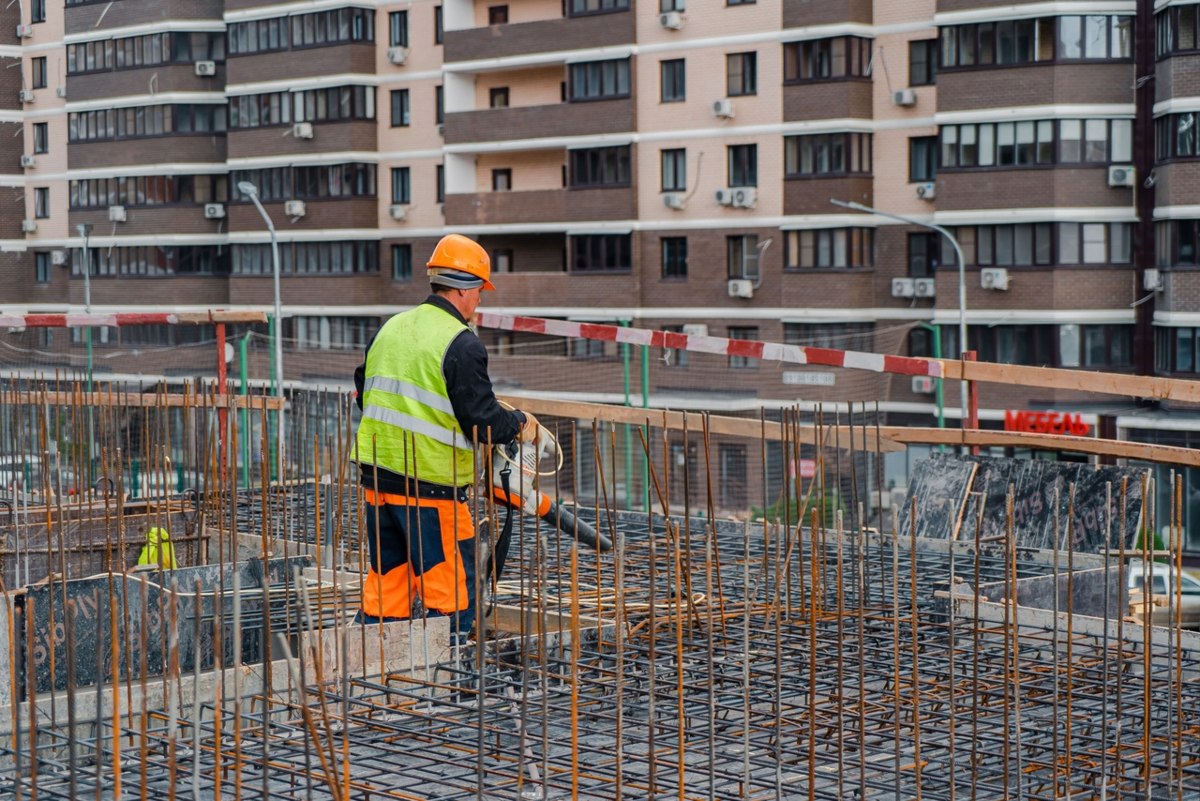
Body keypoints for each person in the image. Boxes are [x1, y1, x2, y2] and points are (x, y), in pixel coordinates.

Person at [353, 234, 538, 641]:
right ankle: (443, 684)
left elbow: (363, 388)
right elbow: (482, 420)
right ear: (464, 288)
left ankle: (374, 678)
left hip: (377, 484)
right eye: (479, 292)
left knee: (388, 590)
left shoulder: (393, 327)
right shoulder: (461, 342)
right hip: (430, 491)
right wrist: (519, 423)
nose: (479, 303)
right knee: (452, 596)